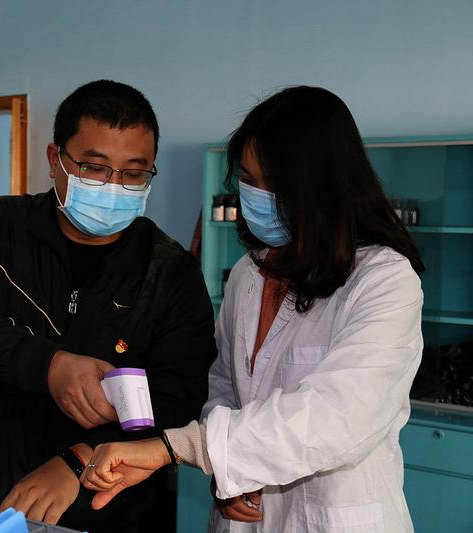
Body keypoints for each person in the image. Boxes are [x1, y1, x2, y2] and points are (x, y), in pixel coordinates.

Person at [81, 86, 425, 533]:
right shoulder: (249, 272)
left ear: (324, 187)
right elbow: (223, 384)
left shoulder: (383, 280)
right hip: (244, 518)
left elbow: (338, 415)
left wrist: (186, 447)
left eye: (275, 185)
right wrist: (233, 474)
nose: (257, 196)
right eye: (248, 179)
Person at [0, 79, 217, 532]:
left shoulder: (169, 271)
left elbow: (181, 397)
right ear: (54, 159)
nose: (113, 186)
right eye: (94, 168)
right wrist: (49, 366)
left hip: (116, 508)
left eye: (133, 174)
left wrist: (80, 460)